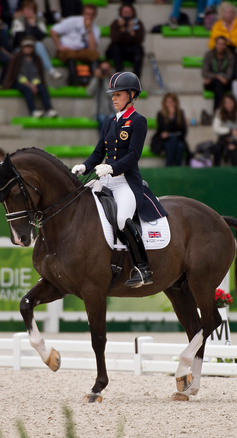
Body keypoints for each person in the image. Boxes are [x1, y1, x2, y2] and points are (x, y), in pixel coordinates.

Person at [71, 72, 168, 288]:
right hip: (105, 179)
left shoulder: (138, 121)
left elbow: (133, 156)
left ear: (132, 95)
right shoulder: (109, 122)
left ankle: (143, 269)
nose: (114, 98)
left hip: (126, 182)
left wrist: (111, 168)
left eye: (118, 94)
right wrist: (85, 166)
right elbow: (98, 153)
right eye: (112, 95)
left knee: (123, 219)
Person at [2, 37, 58, 118]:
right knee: (27, 90)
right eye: (26, 47)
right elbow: (18, 75)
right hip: (19, 82)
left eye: (30, 47)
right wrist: (29, 85)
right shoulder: (17, 59)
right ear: (23, 48)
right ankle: (33, 111)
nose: (28, 49)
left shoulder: (36, 59)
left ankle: (49, 109)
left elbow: (37, 74)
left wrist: (34, 84)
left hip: (33, 82)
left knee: (42, 88)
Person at [11, 0, 62, 80]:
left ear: (34, 11)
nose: (27, 12)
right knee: (35, 45)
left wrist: (33, 25)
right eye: (26, 9)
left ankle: (51, 71)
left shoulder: (39, 20)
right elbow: (18, 37)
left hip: (35, 47)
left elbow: (42, 36)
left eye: (30, 9)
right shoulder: (18, 20)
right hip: (20, 47)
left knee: (39, 45)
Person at [50, 3, 100, 85]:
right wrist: (59, 46)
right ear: (83, 14)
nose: (89, 17)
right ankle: (73, 78)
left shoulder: (95, 29)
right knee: (71, 53)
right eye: (87, 14)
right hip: (67, 50)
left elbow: (92, 49)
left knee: (94, 54)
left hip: (81, 51)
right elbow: (53, 31)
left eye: (92, 15)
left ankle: (92, 78)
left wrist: (89, 30)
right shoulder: (72, 20)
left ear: (95, 16)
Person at [105, 3, 145, 78]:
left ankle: (136, 78)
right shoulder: (115, 23)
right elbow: (115, 39)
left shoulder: (138, 23)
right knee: (115, 48)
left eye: (128, 13)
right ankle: (119, 76)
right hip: (118, 51)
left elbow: (139, 40)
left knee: (138, 49)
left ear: (133, 13)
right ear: (121, 13)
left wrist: (131, 30)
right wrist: (122, 29)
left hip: (131, 51)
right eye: (125, 13)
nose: (127, 15)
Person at [151, 92, 188, 166]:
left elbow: (183, 130)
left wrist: (174, 117)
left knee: (179, 145)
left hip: (178, 139)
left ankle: (175, 167)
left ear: (175, 103)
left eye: (172, 102)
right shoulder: (160, 114)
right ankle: (170, 166)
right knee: (171, 144)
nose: (170, 104)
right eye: (168, 102)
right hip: (164, 140)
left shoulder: (180, 113)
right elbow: (163, 129)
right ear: (164, 103)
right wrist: (170, 117)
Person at [202, 35, 235, 112]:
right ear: (215, 44)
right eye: (219, 44)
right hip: (211, 82)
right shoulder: (209, 55)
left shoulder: (230, 56)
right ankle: (222, 111)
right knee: (218, 83)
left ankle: (217, 112)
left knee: (218, 85)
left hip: (225, 83)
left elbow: (229, 74)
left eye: (223, 44)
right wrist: (218, 76)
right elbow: (204, 73)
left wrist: (220, 78)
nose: (221, 46)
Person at [212, 93, 237, 166]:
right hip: (223, 139)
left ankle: (236, 173)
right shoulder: (219, 112)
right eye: (226, 103)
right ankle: (216, 171)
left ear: (234, 103)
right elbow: (215, 128)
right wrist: (230, 130)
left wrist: (235, 139)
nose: (228, 105)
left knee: (232, 149)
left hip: (236, 140)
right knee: (216, 148)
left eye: (230, 102)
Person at [86, 60, 116, 134]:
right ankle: (104, 142)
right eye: (102, 69)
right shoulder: (97, 79)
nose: (104, 71)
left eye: (106, 69)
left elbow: (110, 94)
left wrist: (105, 79)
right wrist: (96, 78)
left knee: (111, 120)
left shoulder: (114, 81)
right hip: (99, 111)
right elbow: (89, 92)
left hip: (111, 111)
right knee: (102, 118)